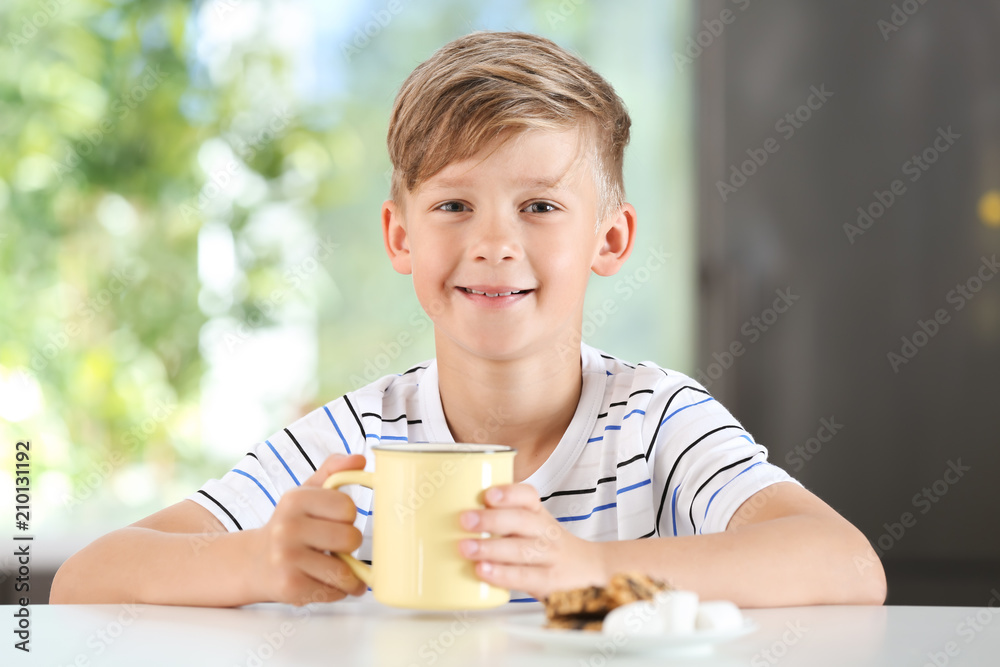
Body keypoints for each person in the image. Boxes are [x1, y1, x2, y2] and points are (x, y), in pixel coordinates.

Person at [51, 31, 886, 608]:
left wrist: (591, 567)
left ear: (611, 237)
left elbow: (846, 564)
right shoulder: (349, 441)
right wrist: (259, 557)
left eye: (539, 205)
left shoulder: (659, 422)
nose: (494, 243)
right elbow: (86, 579)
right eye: (454, 203)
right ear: (400, 236)